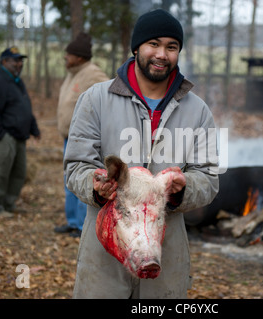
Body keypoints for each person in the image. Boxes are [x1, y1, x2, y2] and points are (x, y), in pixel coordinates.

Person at [64, 9, 219, 298]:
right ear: (136, 47)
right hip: (104, 252)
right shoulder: (96, 99)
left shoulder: (197, 111)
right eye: (154, 44)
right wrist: (95, 186)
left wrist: (183, 190)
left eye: (171, 47)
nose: (162, 54)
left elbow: (209, 178)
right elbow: (75, 167)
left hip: (166, 253)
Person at [54, 32, 109, 238]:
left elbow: (107, 100)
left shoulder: (94, 74)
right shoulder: (72, 73)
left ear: (79, 56)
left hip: (84, 138)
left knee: (82, 179)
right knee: (69, 180)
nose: (65, 58)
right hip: (68, 137)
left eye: (68, 54)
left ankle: (81, 225)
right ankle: (73, 221)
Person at [0, 46, 40, 218]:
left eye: (20, 60)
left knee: (19, 173)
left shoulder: (16, 81)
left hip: (19, 136)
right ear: (4, 61)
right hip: (2, 136)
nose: (19, 64)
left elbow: (24, 107)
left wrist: (33, 128)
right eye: (15, 60)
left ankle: (8, 203)